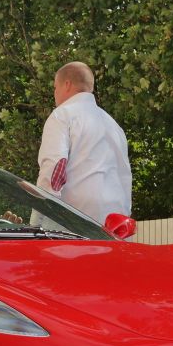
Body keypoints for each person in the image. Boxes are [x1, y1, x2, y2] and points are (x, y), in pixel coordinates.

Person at [36, 61, 132, 224]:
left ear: (67, 85)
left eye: (55, 87)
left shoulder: (62, 115)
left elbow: (54, 169)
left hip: (74, 223)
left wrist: (38, 219)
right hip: (116, 222)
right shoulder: (114, 126)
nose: (55, 93)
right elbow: (125, 177)